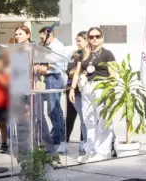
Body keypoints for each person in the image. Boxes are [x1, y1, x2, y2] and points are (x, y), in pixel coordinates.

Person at [69, 27, 116, 163]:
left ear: (102, 37)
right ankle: (90, 150)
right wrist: (72, 89)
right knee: (88, 120)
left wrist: (111, 90)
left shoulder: (107, 54)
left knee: (103, 120)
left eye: (97, 36)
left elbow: (113, 74)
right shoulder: (84, 54)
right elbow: (77, 72)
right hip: (86, 88)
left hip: (102, 87)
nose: (94, 39)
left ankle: (103, 151)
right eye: (91, 37)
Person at [35, 27, 68, 153]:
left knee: (53, 110)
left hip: (54, 77)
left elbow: (53, 64)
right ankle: (59, 135)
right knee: (56, 109)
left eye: (43, 37)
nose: (41, 40)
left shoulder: (55, 47)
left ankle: (58, 138)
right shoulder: (54, 46)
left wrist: (40, 67)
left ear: (49, 35)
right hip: (53, 77)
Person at [63, 31, 89, 155]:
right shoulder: (75, 55)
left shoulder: (93, 55)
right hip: (73, 90)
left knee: (85, 118)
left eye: (79, 40)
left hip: (87, 90)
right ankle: (64, 141)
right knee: (70, 117)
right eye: (76, 40)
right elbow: (69, 72)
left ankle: (83, 141)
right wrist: (79, 70)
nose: (77, 43)